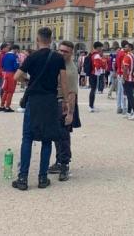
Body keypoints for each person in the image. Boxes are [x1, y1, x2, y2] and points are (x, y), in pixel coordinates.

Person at [12, 27, 67, 191]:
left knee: (27, 137)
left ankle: (23, 178)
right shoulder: (58, 58)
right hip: (50, 100)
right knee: (47, 138)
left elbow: (16, 76)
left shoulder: (32, 57)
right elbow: (63, 81)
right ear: (51, 40)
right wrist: (65, 100)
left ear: (37, 39)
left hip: (34, 100)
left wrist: (28, 80)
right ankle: (43, 178)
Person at [48, 40, 79, 181]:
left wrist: (70, 113)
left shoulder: (70, 70)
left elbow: (72, 93)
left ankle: (64, 165)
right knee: (56, 134)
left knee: (63, 135)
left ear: (71, 53)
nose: (62, 53)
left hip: (65, 103)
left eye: (65, 51)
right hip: (56, 101)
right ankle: (59, 161)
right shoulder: (57, 63)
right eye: (60, 50)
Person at [0, 45, 20, 112]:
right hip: (12, 74)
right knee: (10, 91)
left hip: (5, 73)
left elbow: (1, 65)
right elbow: (16, 66)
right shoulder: (15, 56)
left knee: (5, 90)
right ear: (15, 49)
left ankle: (2, 106)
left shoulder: (5, 55)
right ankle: (7, 106)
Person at [121, 43, 134, 120]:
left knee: (130, 96)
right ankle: (129, 112)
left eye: (126, 47)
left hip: (128, 79)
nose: (124, 48)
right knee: (130, 96)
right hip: (133, 79)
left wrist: (124, 78)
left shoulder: (127, 56)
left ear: (130, 48)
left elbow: (125, 68)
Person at [87, 42, 105, 112]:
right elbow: (98, 66)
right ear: (98, 47)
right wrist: (102, 63)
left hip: (92, 73)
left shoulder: (92, 54)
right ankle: (91, 106)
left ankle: (91, 105)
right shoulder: (97, 55)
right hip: (95, 74)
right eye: (100, 47)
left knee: (93, 90)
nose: (101, 49)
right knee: (93, 90)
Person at [115, 43, 127, 114]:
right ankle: (123, 107)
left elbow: (117, 64)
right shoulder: (124, 54)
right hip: (122, 73)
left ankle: (119, 107)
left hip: (119, 73)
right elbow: (124, 65)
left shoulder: (119, 53)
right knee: (123, 91)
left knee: (119, 92)